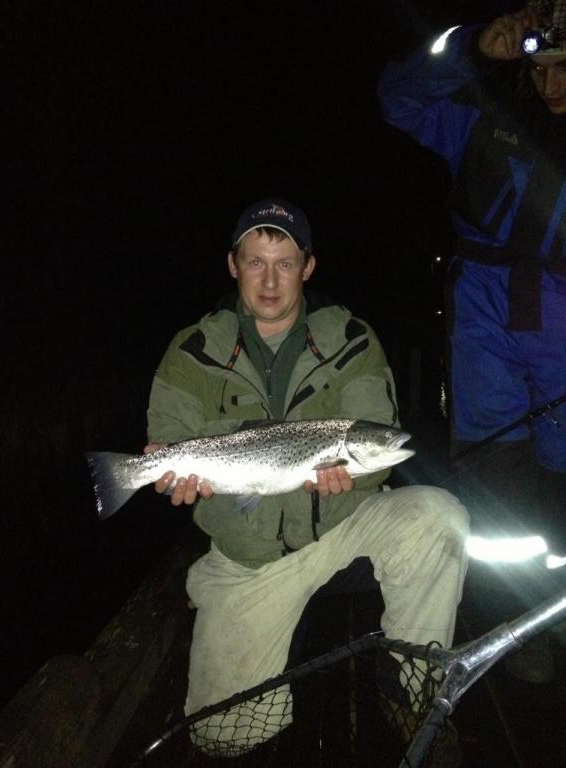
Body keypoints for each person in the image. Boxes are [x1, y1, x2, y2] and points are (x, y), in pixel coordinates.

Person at [145, 198, 469, 756]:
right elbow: (169, 434)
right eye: (255, 262)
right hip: (248, 555)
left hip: (344, 525)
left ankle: (411, 688)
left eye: (285, 263)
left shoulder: (351, 338)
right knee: (222, 736)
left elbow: (380, 435)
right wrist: (169, 475)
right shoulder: (193, 349)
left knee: (438, 517)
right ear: (233, 265)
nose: (270, 281)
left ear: (308, 267)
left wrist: (358, 478)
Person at [378, 2, 566, 683]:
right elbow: (398, 97)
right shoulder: (486, 118)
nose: (552, 85)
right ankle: (514, 633)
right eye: (541, 69)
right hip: (483, 317)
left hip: (561, 322)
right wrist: (470, 48)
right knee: (495, 489)